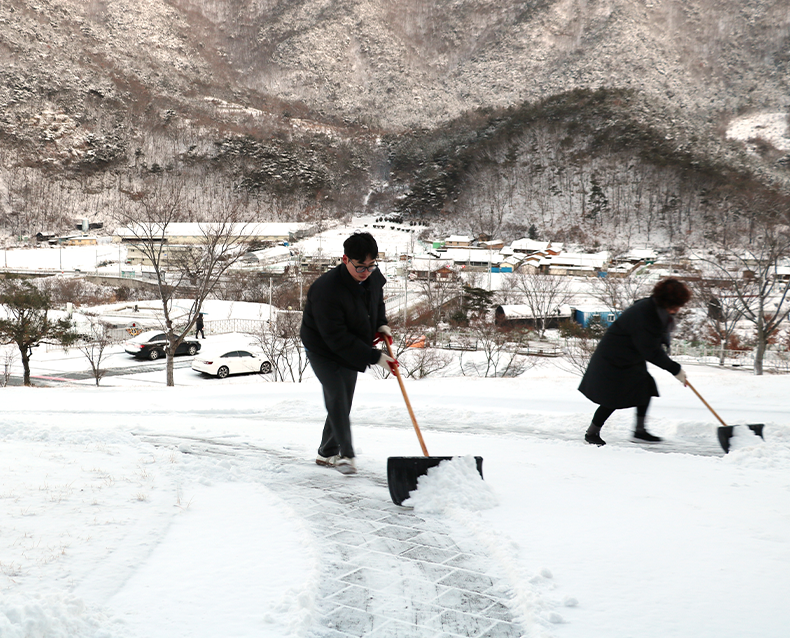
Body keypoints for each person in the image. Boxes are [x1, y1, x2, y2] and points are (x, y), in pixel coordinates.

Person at [300, 232, 397, 475]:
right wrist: (375, 357)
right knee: (337, 396)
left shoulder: (371, 276)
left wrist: (381, 323)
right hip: (322, 347)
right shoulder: (326, 289)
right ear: (345, 259)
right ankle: (346, 455)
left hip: (352, 343)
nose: (366, 272)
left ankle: (326, 453)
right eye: (360, 267)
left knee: (345, 400)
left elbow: (377, 300)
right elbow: (335, 337)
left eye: (371, 265)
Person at [579, 278, 691, 446]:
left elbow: (652, 342)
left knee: (644, 387)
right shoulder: (645, 315)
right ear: (665, 301)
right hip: (613, 359)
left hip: (629, 358)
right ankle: (592, 433)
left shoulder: (654, 309)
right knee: (613, 398)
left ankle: (640, 431)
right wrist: (675, 369)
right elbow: (651, 351)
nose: (677, 309)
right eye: (675, 305)